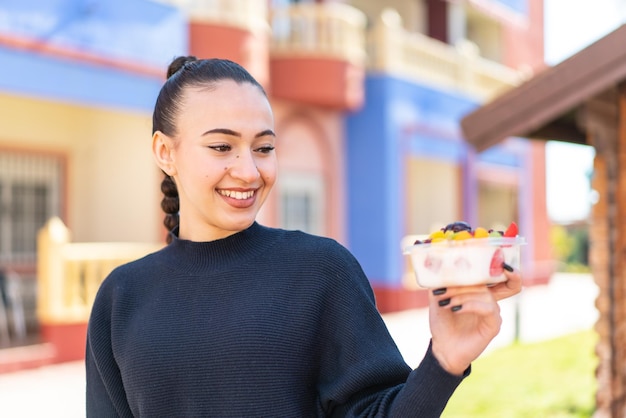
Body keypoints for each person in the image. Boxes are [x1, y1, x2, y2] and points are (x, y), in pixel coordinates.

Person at [85, 56, 522, 417]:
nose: (249, 170)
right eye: (222, 147)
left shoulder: (320, 270)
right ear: (166, 152)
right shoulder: (121, 297)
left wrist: (444, 361)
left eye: (264, 147)